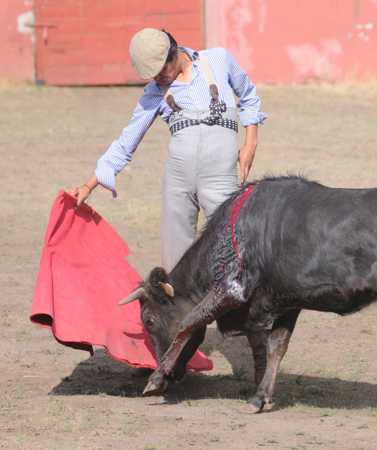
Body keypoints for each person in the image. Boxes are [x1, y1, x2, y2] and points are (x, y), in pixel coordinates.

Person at [70, 28, 268, 385]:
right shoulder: (154, 92)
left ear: (174, 51)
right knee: (174, 279)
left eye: (161, 68)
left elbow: (249, 95)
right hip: (177, 182)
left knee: (237, 260)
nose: (159, 77)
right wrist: (89, 184)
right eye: (152, 75)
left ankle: (258, 350)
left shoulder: (218, 59)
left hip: (221, 178)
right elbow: (126, 141)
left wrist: (250, 142)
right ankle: (174, 360)